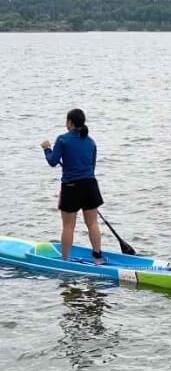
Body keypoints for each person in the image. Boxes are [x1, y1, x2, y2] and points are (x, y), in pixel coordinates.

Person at [41, 108, 106, 262]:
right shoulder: (91, 142)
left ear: (70, 122)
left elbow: (53, 161)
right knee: (93, 223)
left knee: (68, 226)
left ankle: (65, 260)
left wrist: (47, 149)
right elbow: (92, 167)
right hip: (90, 185)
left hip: (71, 186)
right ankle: (98, 258)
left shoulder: (62, 140)